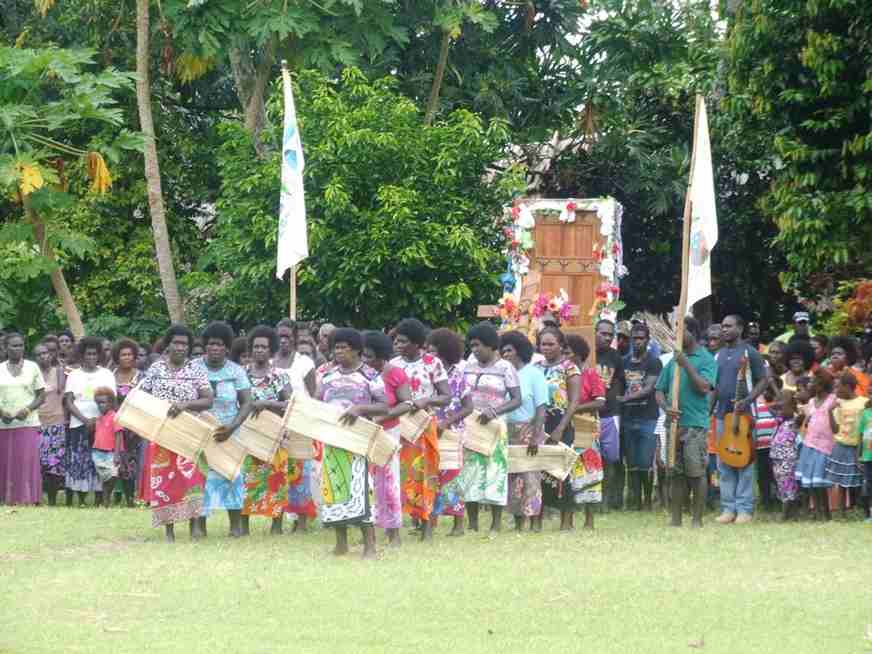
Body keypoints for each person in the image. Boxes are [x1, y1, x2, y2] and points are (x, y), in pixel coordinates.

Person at [138, 324, 213, 542]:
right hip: (162, 434)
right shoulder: (156, 369)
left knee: (192, 479)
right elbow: (141, 397)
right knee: (165, 481)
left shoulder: (196, 370)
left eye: (184, 344)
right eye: (176, 343)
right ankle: (169, 530)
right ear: (168, 345)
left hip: (190, 432)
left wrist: (185, 404)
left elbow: (208, 399)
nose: (180, 347)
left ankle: (194, 527)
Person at [320, 328, 380, 558]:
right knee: (335, 490)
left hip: (357, 441)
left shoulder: (369, 375)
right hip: (332, 441)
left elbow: (385, 405)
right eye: (336, 347)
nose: (339, 351)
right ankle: (341, 543)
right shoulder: (327, 375)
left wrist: (360, 408)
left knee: (361, 490)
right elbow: (317, 402)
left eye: (344, 347)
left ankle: (370, 546)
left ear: (356, 350)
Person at [391, 319, 450, 539]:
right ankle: (401, 523)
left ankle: (427, 526)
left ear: (416, 343)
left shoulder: (432, 363)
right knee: (402, 475)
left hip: (424, 425)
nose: (397, 344)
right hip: (399, 426)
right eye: (396, 340)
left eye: (403, 341)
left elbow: (446, 396)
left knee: (426, 474)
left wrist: (426, 401)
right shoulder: (393, 365)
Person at [655, 317, 717, 527]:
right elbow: (659, 390)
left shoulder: (706, 359)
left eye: (680, 331)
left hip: (695, 426)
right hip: (674, 426)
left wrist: (686, 364)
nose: (676, 336)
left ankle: (697, 520)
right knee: (676, 474)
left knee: (696, 473)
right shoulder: (673, 360)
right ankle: (675, 520)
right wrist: (666, 408)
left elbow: (703, 387)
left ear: (692, 332)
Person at [461, 322, 521, 532]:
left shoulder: (506, 367)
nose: (474, 350)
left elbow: (516, 399)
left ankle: (495, 524)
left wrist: (495, 411)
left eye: (478, 345)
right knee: (469, 473)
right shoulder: (468, 365)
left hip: (495, 426)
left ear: (490, 345)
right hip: (471, 425)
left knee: (495, 472)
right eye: (472, 346)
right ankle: (473, 523)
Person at [194, 321, 252, 537]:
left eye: (219, 345)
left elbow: (247, 402)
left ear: (227, 348)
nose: (215, 348)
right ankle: (200, 526)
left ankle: (235, 526)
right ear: (205, 346)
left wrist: (232, 426)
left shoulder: (236, 371)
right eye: (210, 344)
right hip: (200, 432)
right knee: (201, 478)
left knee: (233, 476)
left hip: (230, 433)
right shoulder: (193, 368)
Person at [712, 315, 768, 524]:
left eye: (729, 326)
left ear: (740, 328)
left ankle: (745, 509)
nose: (724, 330)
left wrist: (748, 400)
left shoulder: (750, 353)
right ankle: (728, 508)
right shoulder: (718, 355)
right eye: (722, 326)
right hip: (721, 416)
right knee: (724, 462)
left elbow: (763, 380)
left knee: (745, 461)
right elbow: (715, 387)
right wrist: (709, 411)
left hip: (745, 416)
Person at [360, 331, 413, 546]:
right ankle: (368, 528)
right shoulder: (361, 373)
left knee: (388, 482)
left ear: (382, 356)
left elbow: (406, 403)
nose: (366, 360)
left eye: (370, 356)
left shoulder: (395, 373)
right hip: (362, 432)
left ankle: (393, 533)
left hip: (387, 433)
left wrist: (384, 415)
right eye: (363, 355)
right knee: (367, 482)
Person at [240, 325, 292, 535]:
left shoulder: (280, 375)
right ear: (251, 349)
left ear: (272, 350)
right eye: (256, 346)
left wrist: (266, 404)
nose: (259, 350)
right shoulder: (241, 373)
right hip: (247, 435)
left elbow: (289, 404)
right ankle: (243, 526)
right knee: (246, 479)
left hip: (274, 434)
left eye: (264, 347)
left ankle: (276, 526)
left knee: (276, 479)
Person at [273, 319, 318, 532]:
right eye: (280, 336)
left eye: (287, 337)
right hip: (274, 424)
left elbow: (313, 395)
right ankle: (277, 520)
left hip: (300, 423)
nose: (283, 341)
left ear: (295, 338)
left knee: (300, 473)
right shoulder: (270, 361)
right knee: (277, 472)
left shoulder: (305, 363)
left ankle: (301, 522)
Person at [427, 328, 473, 536]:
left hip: (452, 433)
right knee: (429, 475)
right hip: (428, 430)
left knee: (452, 477)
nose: (429, 355)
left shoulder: (458, 375)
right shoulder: (426, 372)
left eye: (433, 351)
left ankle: (458, 525)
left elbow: (468, 406)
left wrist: (447, 422)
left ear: (444, 352)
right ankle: (428, 521)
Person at [500, 331, 547, 532]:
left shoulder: (534, 374)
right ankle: (518, 522)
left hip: (529, 430)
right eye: (503, 350)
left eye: (509, 350)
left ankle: (535, 522)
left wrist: (536, 435)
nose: (505, 353)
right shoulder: (503, 373)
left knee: (531, 477)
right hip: (508, 431)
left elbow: (541, 408)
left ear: (519, 351)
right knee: (513, 478)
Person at [536, 327, 581, 530]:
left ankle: (566, 521)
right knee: (537, 471)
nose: (546, 348)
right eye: (543, 344)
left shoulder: (570, 368)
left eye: (550, 344)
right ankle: (536, 518)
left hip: (561, 424)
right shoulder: (535, 368)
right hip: (539, 424)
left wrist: (561, 428)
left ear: (561, 345)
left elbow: (573, 402)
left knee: (563, 472)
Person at [63, 336, 115, 506]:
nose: (91, 357)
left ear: (99, 355)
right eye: (88, 354)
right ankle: (81, 498)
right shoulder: (74, 375)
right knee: (79, 460)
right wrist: (85, 420)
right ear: (81, 355)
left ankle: (100, 497)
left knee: (99, 461)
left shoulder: (106, 374)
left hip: (103, 426)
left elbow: (112, 401)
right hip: (79, 424)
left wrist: (99, 421)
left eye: (94, 354)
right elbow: (69, 401)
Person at [562, 334, 607, 528]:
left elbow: (600, 402)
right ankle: (568, 520)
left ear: (579, 355)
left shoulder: (590, 374)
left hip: (586, 427)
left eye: (568, 352)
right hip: (564, 428)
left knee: (590, 472)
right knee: (567, 472)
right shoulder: (561, 373)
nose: (564, 356)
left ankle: (589, 520)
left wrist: (573, 408)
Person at [619, 323, 662, 511]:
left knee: (645, 462)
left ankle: (647, 500)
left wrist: (625, 398)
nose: (637, 342)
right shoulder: (623, 361)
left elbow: (648, 389)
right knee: (632, 464)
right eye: (634, 338)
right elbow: (619, 385)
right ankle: (635, 501)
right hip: (627, 418)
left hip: (647, 418)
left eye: (641, 338)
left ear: (647, 340)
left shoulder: (654, 362)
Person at [0, 332, 46, 505]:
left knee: (25, 462)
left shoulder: (32, 367)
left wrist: (27, 410)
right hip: (3, 424)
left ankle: (29, 498)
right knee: (5, 462)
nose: (18, 349)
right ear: (5, 348)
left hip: (27, 422)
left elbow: (42, 396)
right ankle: (6, 498)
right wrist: (1, 412)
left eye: (21, 345)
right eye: (14, 345)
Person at [796, 368, 837, 521]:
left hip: (824, 447)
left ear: (821, 385)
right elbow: (807, 422)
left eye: (812, 381)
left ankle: (825, 513)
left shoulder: (833, 400)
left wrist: (831, 413)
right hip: (809, 445)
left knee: (820, 483)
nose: (809, 384)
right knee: (811, 483)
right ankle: (816, 512)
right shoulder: (812, 402)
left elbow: (836, 428)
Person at [594, 319, 625, 510]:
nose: (607, 337)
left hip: (610, 414)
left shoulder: (616, 357)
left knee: (610, 458)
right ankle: (589, 499)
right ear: (594, 332)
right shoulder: (587, 354)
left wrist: (611, 400)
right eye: (603, 333)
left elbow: (620, 381)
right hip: (588, 412)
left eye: (610, 335)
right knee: (589, 456)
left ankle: (605, 501)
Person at [825, 371, 865, 514]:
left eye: (838, 387)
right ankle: (842, 511)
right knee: (841, 481)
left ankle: (857, 508)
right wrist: (830, 411)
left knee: (858, 480)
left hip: (858, 447)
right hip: (841, 447)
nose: (836, 391)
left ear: (847, 387)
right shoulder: (838, 404)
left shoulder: (863, 403)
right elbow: (835, 430)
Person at [34, 342, 66, 506]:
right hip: (37, 423)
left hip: (56, 423)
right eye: (39, 354)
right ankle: (37, 498)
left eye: (46, 353)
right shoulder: (32, 373)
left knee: (54, 463)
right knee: (38, 463)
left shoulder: (59, 371)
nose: (43, 356)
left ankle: (52, 500)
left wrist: (59, 366)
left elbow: (61, 390)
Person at [113, 338, 141, 507]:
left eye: (130, 354)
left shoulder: (141, 376)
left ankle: (132, 498)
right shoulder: (110, 376)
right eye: (123, 354)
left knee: (134, 460)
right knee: (119, 460)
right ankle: (115, 495)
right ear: (117, 357)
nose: (127, 357)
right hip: (116, 424)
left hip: (137, 425)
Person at [769, 388, 800, 521]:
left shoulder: (795, 421)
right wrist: (779, 404)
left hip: (788, 459)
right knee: (781, 486)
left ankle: (786, 514)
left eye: (783, 406)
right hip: (777, 459)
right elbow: (771, 407)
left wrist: (787, 404)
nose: (779, 410)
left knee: (789, 486)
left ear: (792, 406)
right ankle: (789, 513)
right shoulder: (780, 420)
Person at [90, 386, 123, 508]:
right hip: (98, 452)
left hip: (111, 453)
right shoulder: (98, 419)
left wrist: (117, 454)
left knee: (113, 476)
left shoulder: (115, 417)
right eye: (98, 403)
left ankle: (107, 497)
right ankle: (105, 502)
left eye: (103, 402)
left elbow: (119, 435)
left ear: (110, 403)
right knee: (104, 478)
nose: (100, 406)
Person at [854, 398, 872, 523]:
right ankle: (867, 514)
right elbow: (860, 435)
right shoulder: (865, 413)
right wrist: (857, 455)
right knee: (867, 485)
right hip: (867, 457)